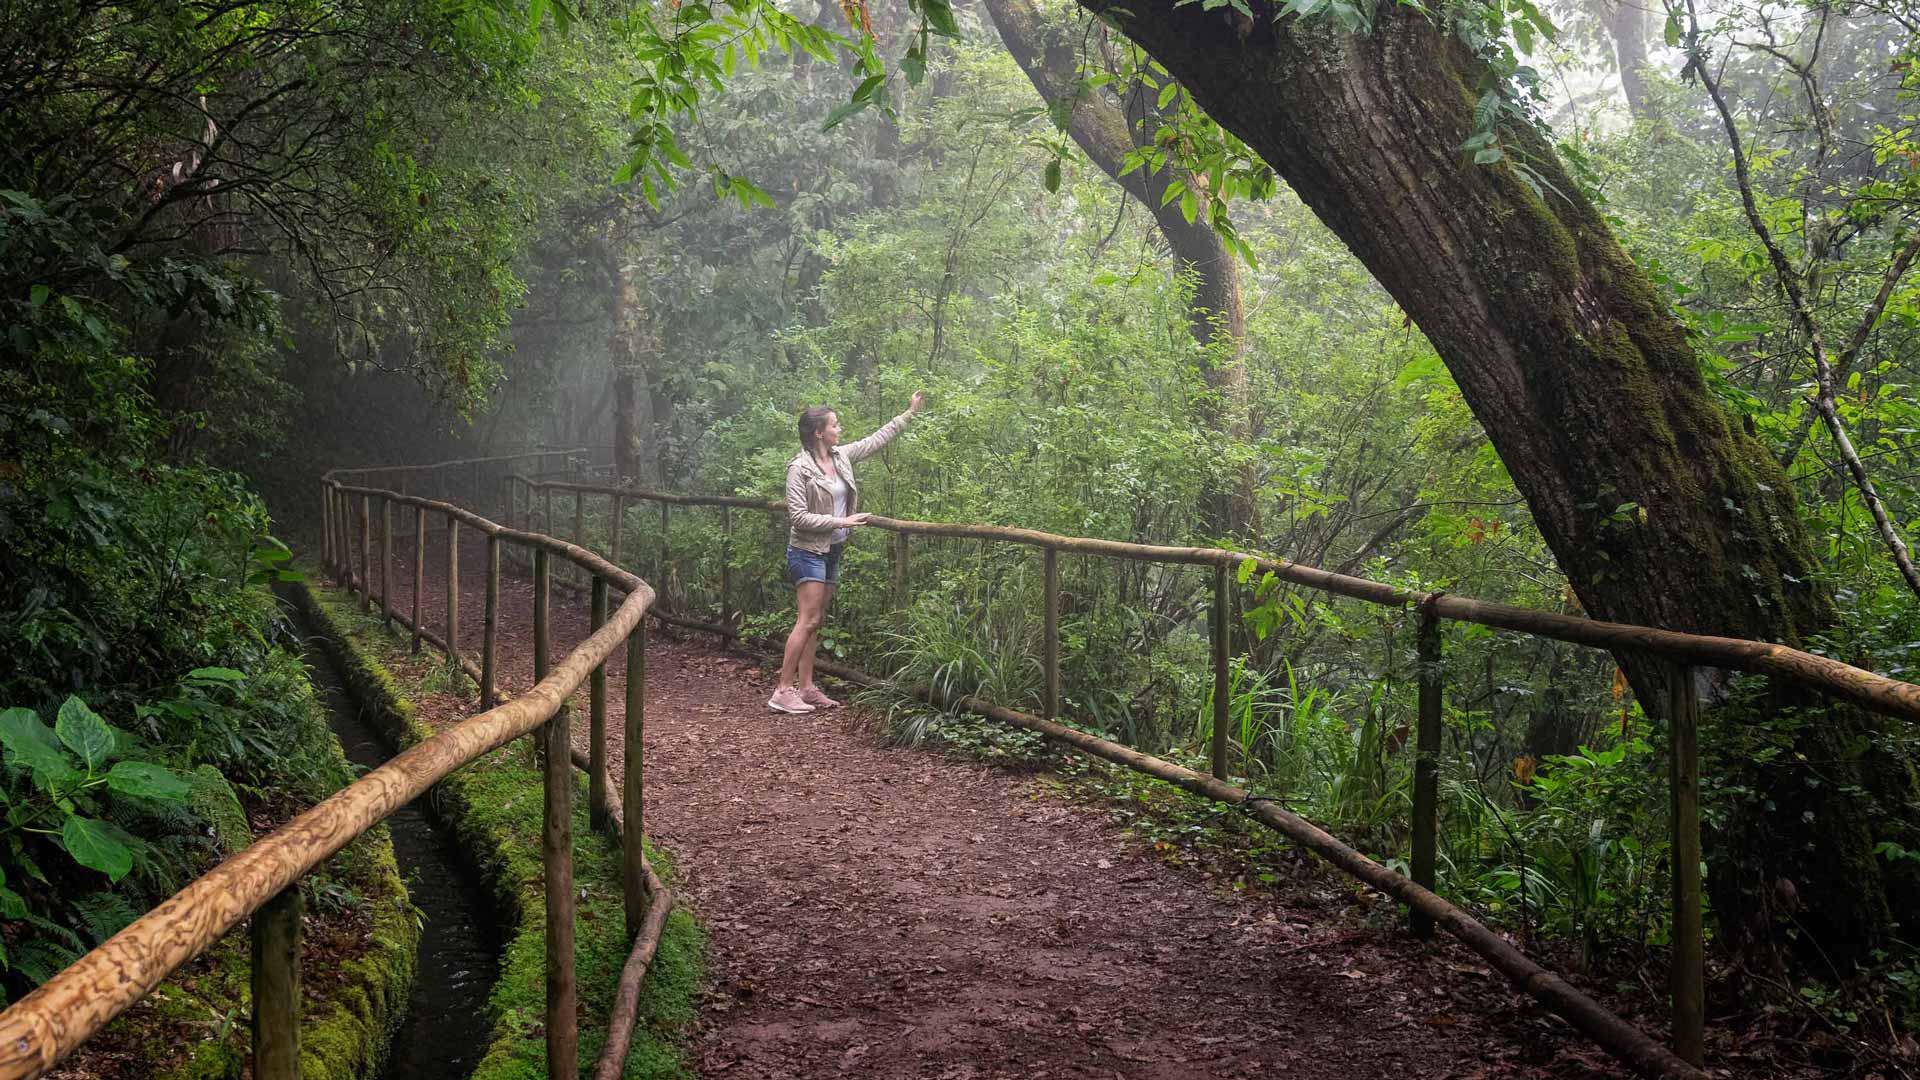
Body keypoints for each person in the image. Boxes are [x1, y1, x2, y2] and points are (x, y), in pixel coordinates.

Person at [770, 391, 926, 713]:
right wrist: (842, 520)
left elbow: (875, 440)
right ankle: (782, 690)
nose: (839, 430)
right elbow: (797, 516)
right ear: (818, 432)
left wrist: (908, 414)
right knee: (807, 619)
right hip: (807, 550)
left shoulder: (840, 457)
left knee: (815, 620)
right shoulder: (798, 469)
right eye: (835, 425)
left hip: (833, 548)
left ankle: (807, 686)